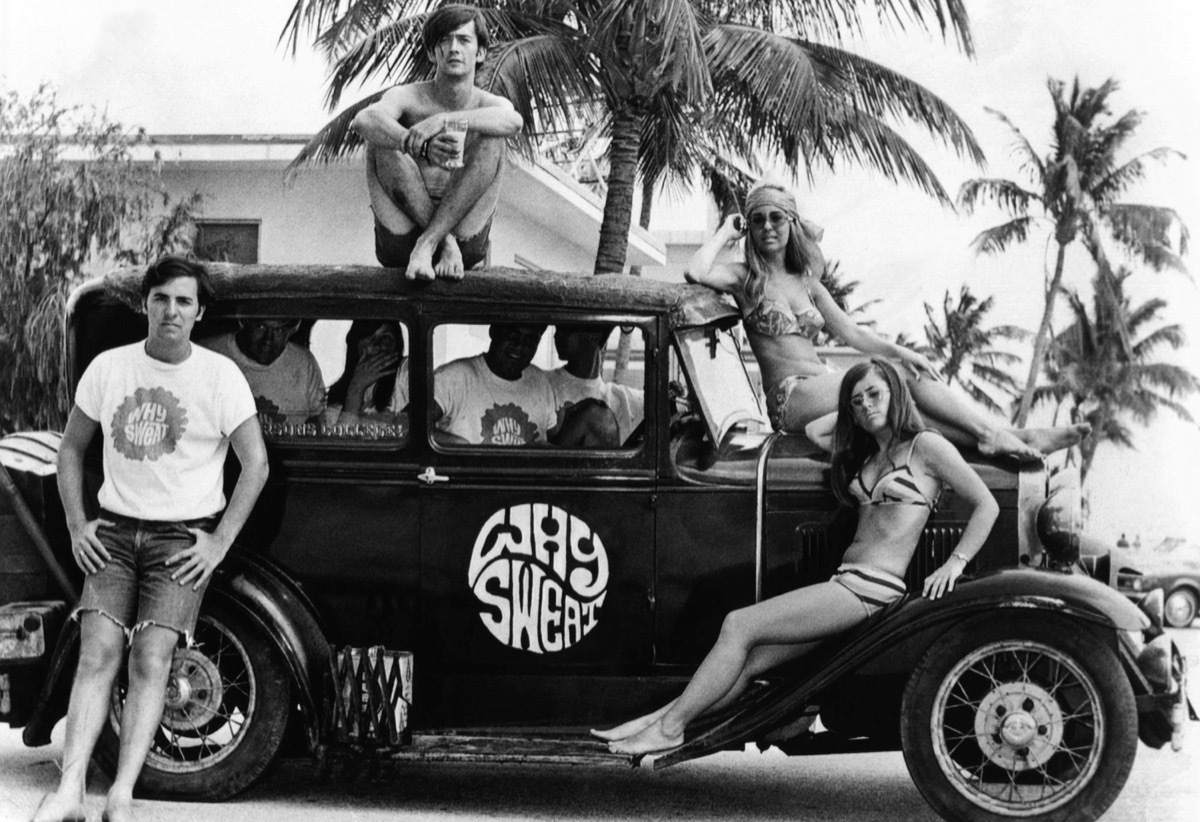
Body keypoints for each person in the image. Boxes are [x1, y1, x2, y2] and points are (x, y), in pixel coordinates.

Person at [592, 359, 998, 756]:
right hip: (846, 582)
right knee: (749, 660)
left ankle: (669, 728)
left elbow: (986, 504)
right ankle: (658, 721)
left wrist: (955, 563)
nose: (866, 406)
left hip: (871, 588)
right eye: (856, 402)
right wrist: (853, 410)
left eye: (875, 394)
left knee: (738, 625)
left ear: (897, 393)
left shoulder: (925, 446)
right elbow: (815, 429)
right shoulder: (869, 456)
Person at [35, 256, 269, 822]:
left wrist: (217, 545)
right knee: (96, 655)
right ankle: (70, 794)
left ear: (199, 312)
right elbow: (71, 450)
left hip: (179, 542)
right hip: (113, 533)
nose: (171, 310)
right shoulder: (110, 369)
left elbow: (254, 464)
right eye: (161, 298)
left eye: (184, 301)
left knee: (151, 658)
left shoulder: (219, 376)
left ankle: (121, 795)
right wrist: (75, 523)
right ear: (146, 304)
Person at [684, 181, 1090, 460]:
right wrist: (726, 231)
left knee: (908, 401)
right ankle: (989, 435)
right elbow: (697, 271)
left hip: (822, 382)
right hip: (791, 399)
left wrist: (903, 351)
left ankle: (1009, 436)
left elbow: (852, 332)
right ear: (750, 228)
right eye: (758, 220)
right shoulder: (745, 279)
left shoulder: (807, 284)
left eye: (777, 218)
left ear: (792, 223)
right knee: (891, 379)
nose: (767, 226)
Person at [352, 3, 523, 281]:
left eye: (464, 40)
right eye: (444, 40)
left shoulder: (487, 103)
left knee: (494, 140)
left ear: (479, 53)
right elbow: (364, 120)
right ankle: (440, 241)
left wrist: (445, 120)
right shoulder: (408, 96)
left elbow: (513, 121)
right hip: (403, 237)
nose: (454, 48)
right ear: (432, 53)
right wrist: (416, 143)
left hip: (465, 237)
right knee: (381, 139)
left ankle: (431, 241)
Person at [433, 322, 558, 446]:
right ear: (493, 331)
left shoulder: (540, 381)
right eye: (512, 335)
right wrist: (459, 446)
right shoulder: (454, 376)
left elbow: (555, 438)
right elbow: (415, 426)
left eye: (530, 340)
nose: (519, 346)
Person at [202, 318, 326, 424]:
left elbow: (317, 422)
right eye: (260, 327)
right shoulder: (207, 354)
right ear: (244, 322)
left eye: (279, 330)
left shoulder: (304, 362)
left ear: (291, 331)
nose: (268, 340)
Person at [547, 324, 645, 447]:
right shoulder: (541, 382)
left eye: (566, 328)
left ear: (595, 336)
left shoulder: (624, 400)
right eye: (557, 328)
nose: (556, 335)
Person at [324, 320, 409, 428]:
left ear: (396, 344)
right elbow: (341, 440)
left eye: (385, 338)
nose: (377, 346)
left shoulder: (405, 371)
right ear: (356, 343)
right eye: (369, 337)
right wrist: (356, 388)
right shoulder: (338, 398)